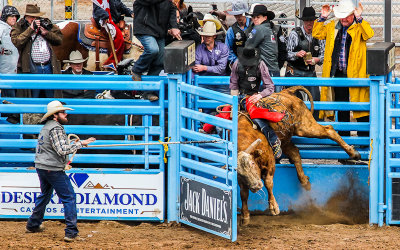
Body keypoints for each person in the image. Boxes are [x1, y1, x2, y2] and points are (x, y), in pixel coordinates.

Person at [26, 100, 96, 242]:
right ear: (55, 115)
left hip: (42, 166)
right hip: (53, 169)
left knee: (45, 195)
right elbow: (62, 150)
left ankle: (33, 224)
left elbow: (56, 147)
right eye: (63, 112)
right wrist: (80, 143)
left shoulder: (47, 127)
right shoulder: (56, 128)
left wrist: (77, 144)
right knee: (69, 197)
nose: (66, 114)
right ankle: (71, 232)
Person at [312, 0, 374, 136]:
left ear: (353, 15)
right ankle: (344, 142)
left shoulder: (359, 28)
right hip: (338, 75)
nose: (344, 19)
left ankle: (363, 143)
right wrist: (322, 17)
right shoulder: (331, 26)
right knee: (341, 108)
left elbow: (369, 34)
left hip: (357, 75)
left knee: (361, 108)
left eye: (347, 15)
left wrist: (360, 18)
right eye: (342, 15)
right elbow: (316, 33)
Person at [230, 47, 283, 158]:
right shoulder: (236, 64)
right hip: (238, 96)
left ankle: (273, 140)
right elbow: (233, 84)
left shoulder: (260, 64)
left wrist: (260, 95)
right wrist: (234, 102)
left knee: (256, 117)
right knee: (224, 117)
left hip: (253, 96)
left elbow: (270, 87)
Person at [131, 0, 181, 101]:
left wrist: (174, 27)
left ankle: (148, 92)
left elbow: (172, 9)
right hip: (144, 28)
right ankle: (137, 69)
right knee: (152, 49)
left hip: (159, 31)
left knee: (160, 61)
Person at [11, 4, 63, 98]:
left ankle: (52, 112)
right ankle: (33, 113)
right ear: (26, 16)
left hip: (49, 66)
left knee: (51, 96)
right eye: (32, 17)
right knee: (33, 95)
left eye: (36, 17)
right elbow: (17, 42)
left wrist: (47, 33)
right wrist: (30, 29)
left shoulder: (45, 22)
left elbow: (59, 40)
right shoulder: (19, 26)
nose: (35, 19)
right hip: (31, 67)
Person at [286, 6, 325, 120]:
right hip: (295, 73)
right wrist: (296, 54)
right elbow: (287, 54)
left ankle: (315, 127)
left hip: (310, 73)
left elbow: (324, 55)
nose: (309, 23)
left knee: (316, 103)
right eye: (307, 20)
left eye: (311, 20)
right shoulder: (295, 34)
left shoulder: (319, 35)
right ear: (303, 21)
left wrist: (316, 60)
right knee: (292, 103)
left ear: (315, 21)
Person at [245, 4, 287, 77]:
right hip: (274, 68)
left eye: (258, 17)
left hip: (265, 70)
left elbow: (247, 47)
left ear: (265, 17)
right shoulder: (269, 29)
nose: (255, 19)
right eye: (253, 17)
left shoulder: (258, 29)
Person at [92, 0, 133, 69]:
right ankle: (111, 62)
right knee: (120, 38)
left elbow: (121, 7)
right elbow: (97, 10)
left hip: (115, 21)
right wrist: (105, 15)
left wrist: (131, 13)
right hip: (104, 20)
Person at [193, 21, 229, 94]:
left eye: (208, 36)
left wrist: (204, 68)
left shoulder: (223, 48)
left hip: (220, 81)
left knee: (227, 102)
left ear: (214, 36)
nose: (206, 38)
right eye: (204, 36)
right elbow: (196, 67)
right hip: (204, 82)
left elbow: (221, 69)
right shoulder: (199, 48)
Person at [225, 1, 252, 67]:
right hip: (239, 63)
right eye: (236, 14)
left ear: (244, 13)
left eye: (240, 14)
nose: (238, 17)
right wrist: (235, 60)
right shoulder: (231, 31)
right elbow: (228, 49)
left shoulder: (254, 25)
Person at [0, 5, 19, 98]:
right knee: (8, 99)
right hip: (4, 72)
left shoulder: (11, 29)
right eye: (11, 16)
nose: (14, 18)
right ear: (5, 17)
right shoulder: (2, 29)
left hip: (11, 71)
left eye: (15, 16)